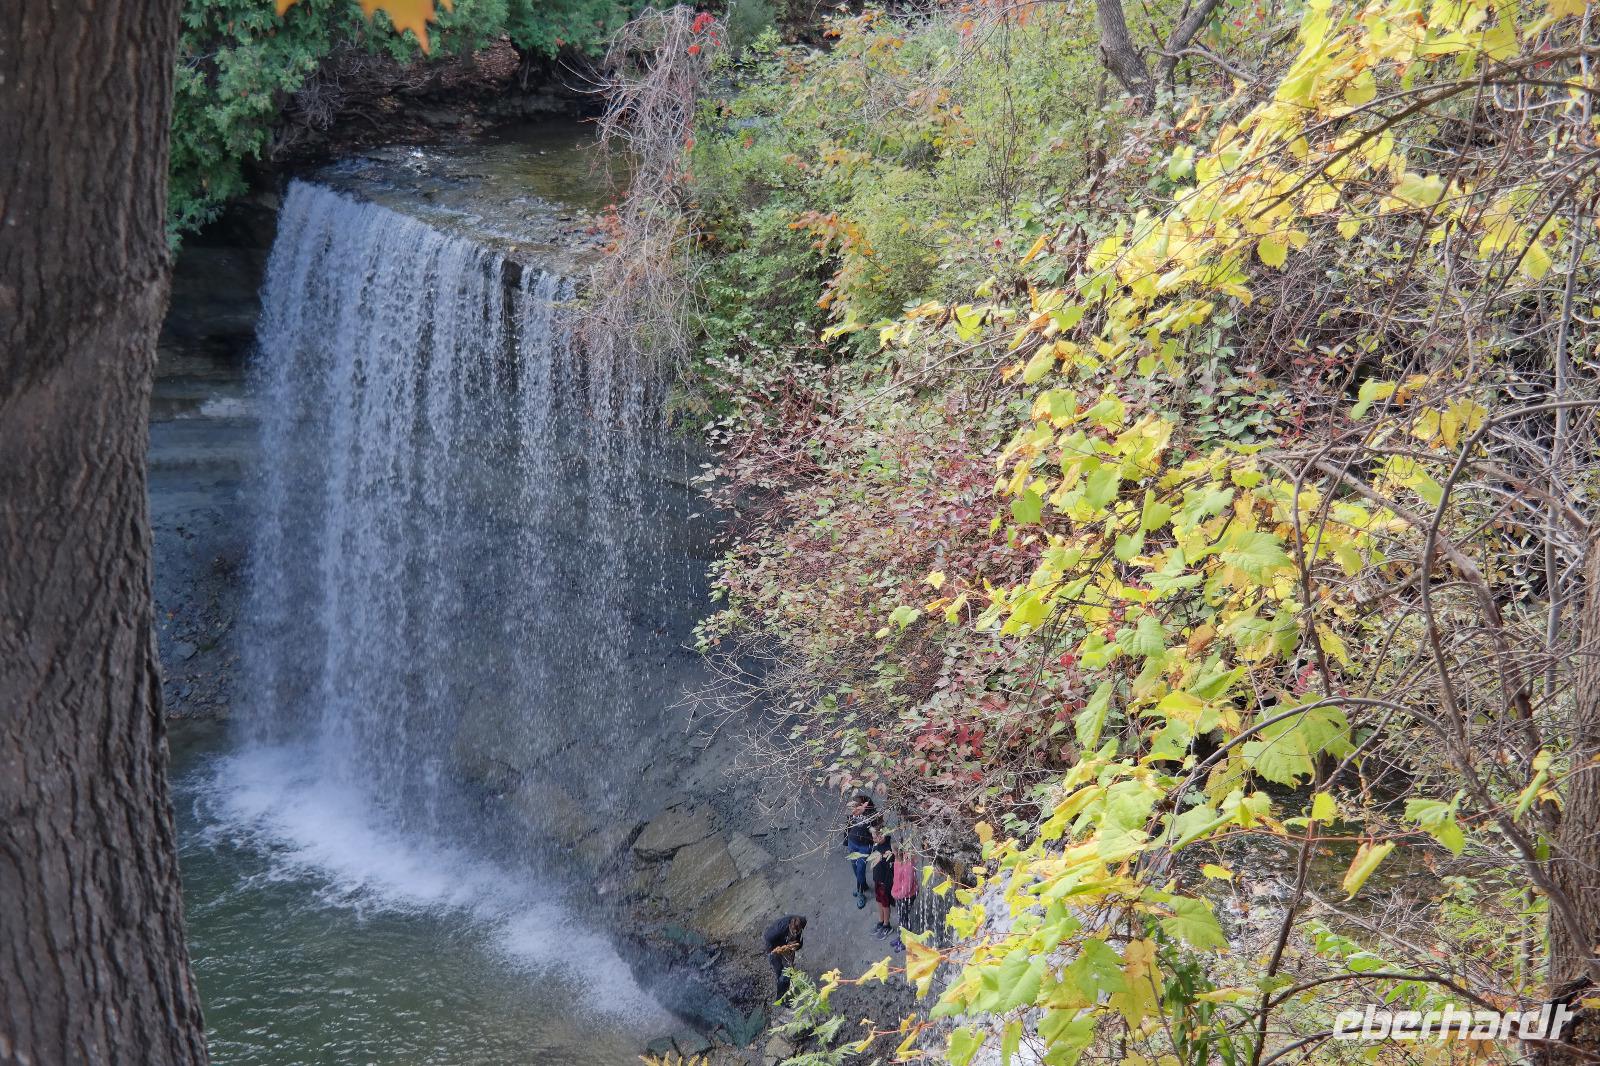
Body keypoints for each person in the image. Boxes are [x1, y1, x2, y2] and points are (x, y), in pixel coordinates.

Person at [843, 794, 879, 909]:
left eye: (856, 807)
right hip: (852, 843)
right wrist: (846, 841)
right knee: (855, 868)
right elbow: (847, 827)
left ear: (863, 806)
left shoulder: (871, 816)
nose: (853, 810)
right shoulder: (852, 814)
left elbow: (876, 831)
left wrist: (874, 845)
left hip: (864, 847)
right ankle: (862, 885)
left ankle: (860, 894)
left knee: (860, 870)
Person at [763, 914, 807, 1001]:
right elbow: (767, 939)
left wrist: (795, 947)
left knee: (787, 972)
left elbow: (798, 943)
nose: (795, 933)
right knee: (779, 970)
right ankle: (781, 999)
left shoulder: (799, 924)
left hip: (786, 946)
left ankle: (786, 987)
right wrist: (778, 950)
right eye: (793, 932)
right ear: (790, 925)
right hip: (773, 947)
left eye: (797, 932)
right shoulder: (779, 928)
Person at [890, 837, 917, 953]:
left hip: (906, 896)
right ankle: (901, 937)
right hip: (898, 894)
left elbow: (907, 887)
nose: (892, 852)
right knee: (901, 917)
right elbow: (896, 878)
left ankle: (906, 940)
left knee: (904, 919)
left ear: (899, 851)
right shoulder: (897, 860)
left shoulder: (908, 865)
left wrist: (896, 895)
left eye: (894, 851)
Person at [869, 825, 896, 939]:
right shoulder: (877, 845)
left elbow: (891, 869)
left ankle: (887, 925)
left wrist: (887, 883)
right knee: (879, 901)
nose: (874, 839)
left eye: (875, 837)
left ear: (881, 835)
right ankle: (881, 921)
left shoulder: (889, 849)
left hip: (884, 882)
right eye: (873, 837)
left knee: (885, 903)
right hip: (877, 879)